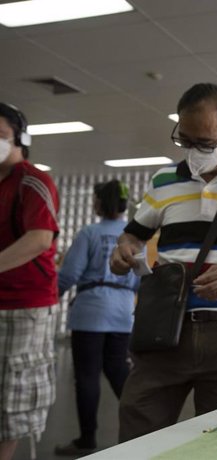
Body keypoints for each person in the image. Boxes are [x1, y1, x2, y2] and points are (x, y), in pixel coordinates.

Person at [110, 83, 217, 442]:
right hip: (165, 327)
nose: (194, 152)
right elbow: (134, 234)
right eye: (184, 140)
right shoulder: (164, 180)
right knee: (138, 428)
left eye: (204, 143)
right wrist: (123, 250)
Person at [54, 180, 139, 456]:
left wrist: (50, 296)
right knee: (119, 372)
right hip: (123, 313)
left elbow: (69, 274)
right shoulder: (135, 239)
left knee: (87, 377)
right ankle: (140, 431)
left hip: (90, 313)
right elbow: (141, 281)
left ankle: (87, 439)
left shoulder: (89, 233)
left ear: (100, 203)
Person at [0, 103, 59, 460]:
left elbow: (40, 238)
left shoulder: (32, 179)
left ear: (20, 138)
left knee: (12, 399)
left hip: (25, 306)